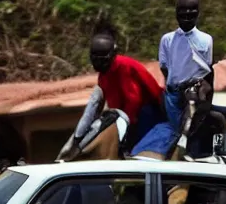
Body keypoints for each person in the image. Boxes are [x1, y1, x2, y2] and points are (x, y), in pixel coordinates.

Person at [59, 20, 165, 159]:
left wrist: (126, 123)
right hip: (125, 112)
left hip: (146, 109)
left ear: (111, 56)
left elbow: (134, 100)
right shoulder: (103, 76)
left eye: (102, 59)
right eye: (95, 59)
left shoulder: (123, 66)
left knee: (132, 146)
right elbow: (99, 106)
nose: (99, 63)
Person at [159, 0, 214, 133]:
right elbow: (164, 66)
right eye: (183, 14)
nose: (187, 18)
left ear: (197, 14)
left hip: (192, 95)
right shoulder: (167, 39)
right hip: (172, 95)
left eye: (191, 14)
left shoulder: (206, 39)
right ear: (177, 14)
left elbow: (207, 67)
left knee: (189, 132)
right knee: (173, 132)